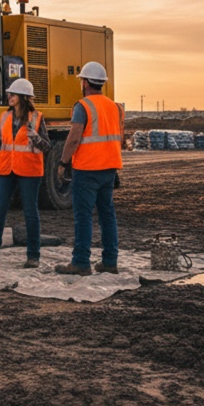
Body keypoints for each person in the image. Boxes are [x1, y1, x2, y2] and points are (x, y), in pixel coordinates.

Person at [55, 61, 125, 276]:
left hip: (87, 169)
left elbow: (74, 138)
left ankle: (81, 262)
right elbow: (119, 138)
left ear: (84, 83)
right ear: (102, 83)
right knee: (107, 215)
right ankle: (110, 261)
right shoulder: (115, 107)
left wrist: (63, 162)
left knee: (83, 216)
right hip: (109, 169)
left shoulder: (83, 106)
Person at [0, 78, 51, 268]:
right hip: (6, 169)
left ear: (23, 98)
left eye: (13, 94)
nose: (9, 96)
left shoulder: (37, 117)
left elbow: (47, 146)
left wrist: (36, 139)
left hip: (29, 171)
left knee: (30, 213)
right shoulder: (4, 117)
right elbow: (2, 143)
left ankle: (33, 256)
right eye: (10, 93)